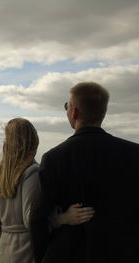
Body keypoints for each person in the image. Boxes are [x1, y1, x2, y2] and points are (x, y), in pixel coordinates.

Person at [30, 82, 139, 263]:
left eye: (67, 106)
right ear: (102, 113)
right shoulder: (135, 153)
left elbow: (38, 219)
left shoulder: (54, 158)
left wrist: (44, 256)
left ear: (74, 112)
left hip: (70, 254)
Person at [0, 118, 94, 263]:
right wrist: (64, 218)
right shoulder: (32, 172)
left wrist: (10, 235)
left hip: (4, 253)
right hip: (28, 252)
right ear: (33, 141)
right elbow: (32, 220)